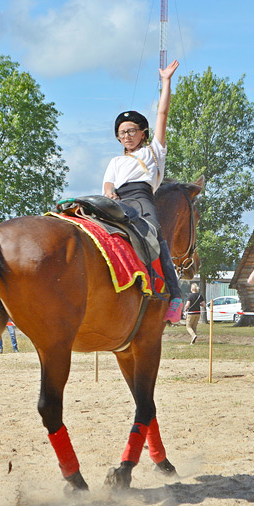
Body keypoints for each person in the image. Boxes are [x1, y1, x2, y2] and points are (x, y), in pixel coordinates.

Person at [102, 60, 184, 323]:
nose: (126, 136)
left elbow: (162, 115)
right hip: (116, 200)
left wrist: (166, 82)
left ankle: (175, 295)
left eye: (131, 131)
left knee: (154, 237)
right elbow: (106, 184)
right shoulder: (115, 162)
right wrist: (109, 192)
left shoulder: (153, 152)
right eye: (121, 133)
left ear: (143, 133)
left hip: (141, 199)